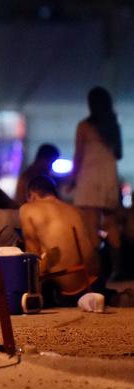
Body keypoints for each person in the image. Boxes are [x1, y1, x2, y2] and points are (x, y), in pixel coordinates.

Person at [19, 176, 101, 306]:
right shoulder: (76, 210)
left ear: (32, 195)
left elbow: (33, 258)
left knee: (31, 267)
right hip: (96, 284)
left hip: (68, 291)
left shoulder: (28, 209)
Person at [71, 86, 123, 278]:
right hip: (108, 177)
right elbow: (119, 154)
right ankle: (117, 268)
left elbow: (78, 155)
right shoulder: (113, 126)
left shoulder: (84, 126)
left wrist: (72, 179)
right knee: (112, 224)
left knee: (90, 224)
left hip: (89, 177)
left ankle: (96, 269)